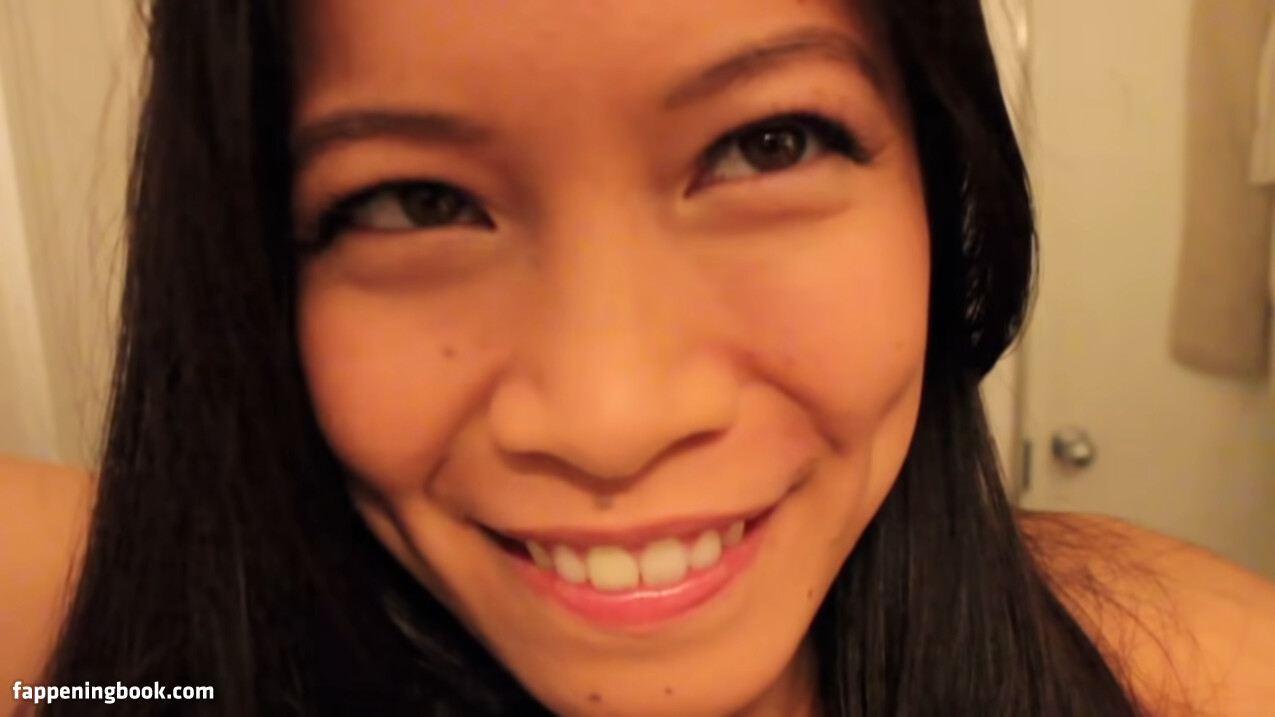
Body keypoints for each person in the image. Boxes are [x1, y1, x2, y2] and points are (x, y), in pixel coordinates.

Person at [3, 0, 1274, 715]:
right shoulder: (124, 657)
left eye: (769, 144)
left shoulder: (1195, 677)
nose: (611, 418)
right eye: (413, 203)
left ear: (941, 189)